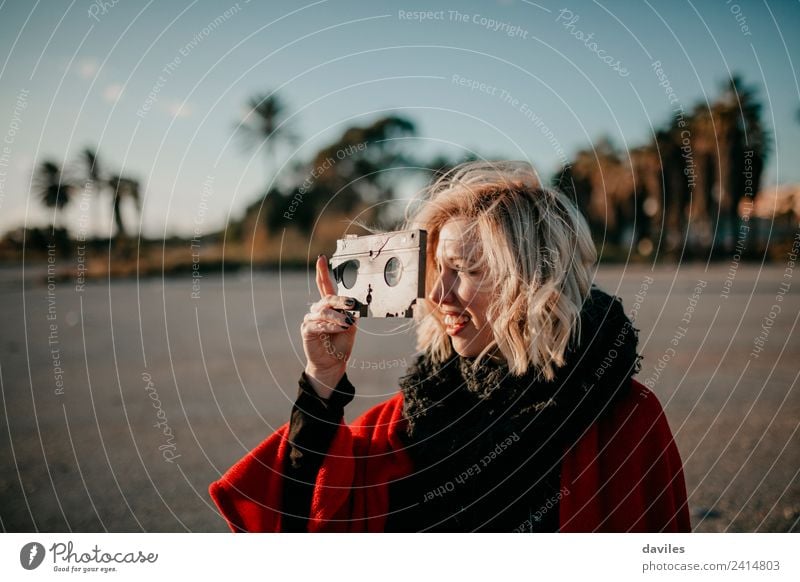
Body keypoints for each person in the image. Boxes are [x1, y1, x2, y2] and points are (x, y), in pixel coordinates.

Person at [209, 160, 690, 533]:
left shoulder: (626, 421)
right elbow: (300, 519)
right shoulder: (410, 419)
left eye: (470, 271)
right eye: (440, 269)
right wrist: (322, 380)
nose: (440, 295)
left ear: (532, 279)